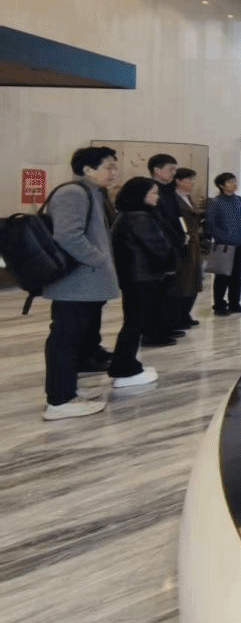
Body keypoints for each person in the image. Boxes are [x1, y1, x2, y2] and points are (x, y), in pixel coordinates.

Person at [41, 145, 119, 420]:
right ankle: (59, 400)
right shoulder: (73, 193)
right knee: (65, 340)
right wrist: (98, 259)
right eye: (109, 167)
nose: (114, 172)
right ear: (87, 169)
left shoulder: (92, 193)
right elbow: (67, 236)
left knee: (74, 340)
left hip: (86, 283)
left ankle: (67, 392)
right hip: (76, 284)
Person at [109, 177, 176, 387]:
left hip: (136, 277)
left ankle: (127, 364)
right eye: (153, 193)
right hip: (142, 278)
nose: (157, 197)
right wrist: (171, 260)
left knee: (134, 322)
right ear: (140, 195)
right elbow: (159, 247)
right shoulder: (139, 218)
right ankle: (124, 368)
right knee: (134, 323)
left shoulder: (129, 215)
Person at [145, 153, 186, 344]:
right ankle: (153, 332)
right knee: (156, 293)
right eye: (171, 169)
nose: (174, 173)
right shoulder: (149, 190)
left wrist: (182, 234)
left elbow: (177, 216)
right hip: (160, 245)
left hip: (173, 244)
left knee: (168, 290)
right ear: (156, 170)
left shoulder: (169, 190)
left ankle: (166, 326)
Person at [205, 172, 241, 315]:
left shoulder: (240, 200)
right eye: (230, 182)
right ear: (221, 185)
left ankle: (234, 303)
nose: (234, 184)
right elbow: (211, 224)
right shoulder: (215, 202)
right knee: (222, 276)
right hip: (224, 244)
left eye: (235, 181)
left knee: (237, 275)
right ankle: (219, 304)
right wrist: (222, 237)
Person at [172, 167, 205, 328]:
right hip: (183, 245)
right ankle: (178, 317)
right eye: (188, 180)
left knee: (194, 279)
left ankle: (186, 314)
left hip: (194, 242)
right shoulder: (173, 199)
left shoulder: (188, 198)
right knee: (183, 281)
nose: (191, 183)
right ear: (178, 181)